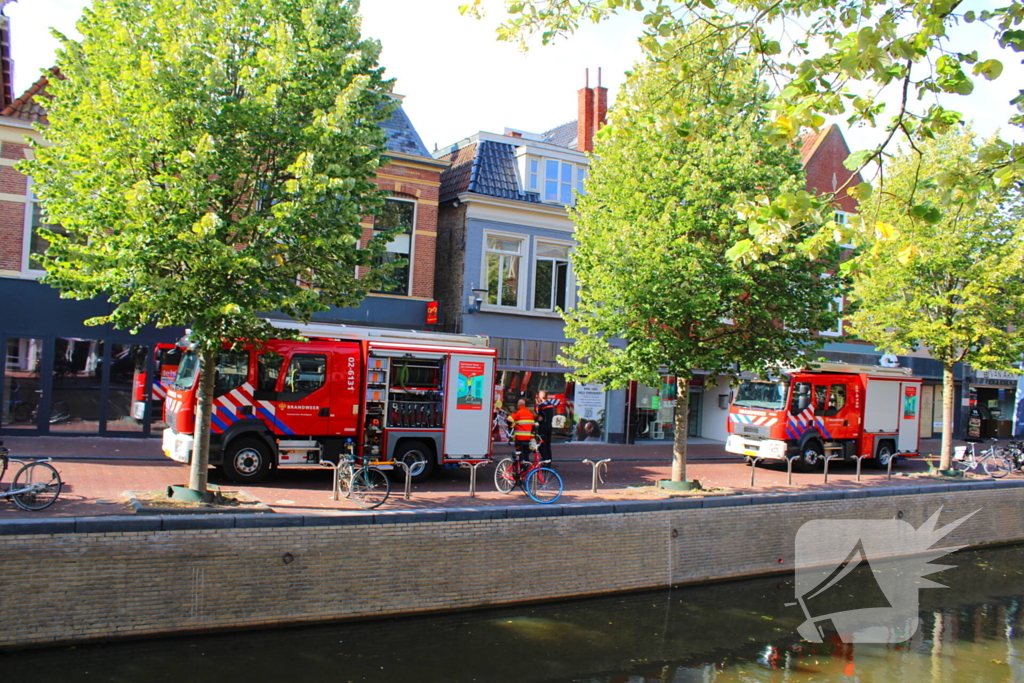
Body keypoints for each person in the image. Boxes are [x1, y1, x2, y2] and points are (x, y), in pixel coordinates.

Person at [507, 398, 536, 463]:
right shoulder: (529, 413)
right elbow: (533, 426)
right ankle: (525, 468)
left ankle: (519, 469)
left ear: (518, 405)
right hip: (527, 438)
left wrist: (514, 426)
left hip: (519, 438)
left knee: (519, 455)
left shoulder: (518, 412)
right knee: (526, 455)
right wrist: (532, 437)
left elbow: (508, 419)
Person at [535, 390, 558, 465]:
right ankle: (549, 461)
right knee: (548, 444)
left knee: (542, 444)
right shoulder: (551, 405)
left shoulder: (541, 406)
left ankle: (545, 461)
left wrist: (538, 405)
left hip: (542, 427)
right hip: (549, 426)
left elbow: (537, 415)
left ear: (541, 396)